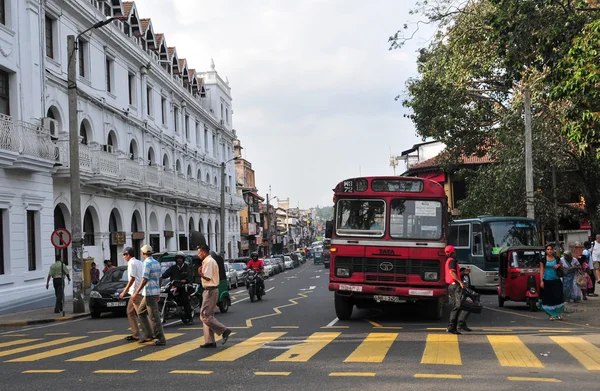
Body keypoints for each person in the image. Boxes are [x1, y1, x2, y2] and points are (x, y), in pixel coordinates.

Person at [197, 244, 231, 348]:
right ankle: (210, 341)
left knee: (204, 315)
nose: (198, 255)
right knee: (208, 315)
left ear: (203, 252)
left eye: (199, 253)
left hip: (210, 290)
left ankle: (224, 330)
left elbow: (207, 277)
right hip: (209, 290)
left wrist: (200, 273)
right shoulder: (207, 261)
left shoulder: (209, 262)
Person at [132, 245, 167, 346]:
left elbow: (144, 279)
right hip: (154, 291)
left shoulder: (146, 263)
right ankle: (149, 334)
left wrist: (136, 292)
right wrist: (158, 291)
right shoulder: (156, 262)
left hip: (148, 293)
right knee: (140, 312)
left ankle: (161, 338)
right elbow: (160, 278)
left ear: (143, 254)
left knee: (154, 317)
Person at [162, 251, 193, 324]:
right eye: (178, 258)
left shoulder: (186, 267)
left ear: (183, 259)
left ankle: (189, 318)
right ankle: (166, 311)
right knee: (165, 294)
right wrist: (161, 276)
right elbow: (165, 274)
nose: (179, 260)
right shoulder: (173, 267)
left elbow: (190, 275)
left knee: (185, 301)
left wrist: (185, 280)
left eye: (180, 258)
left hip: (183, 286)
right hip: (173, 286)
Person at [120, 247, 144, 342]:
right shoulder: (139, 262)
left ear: (128, 255)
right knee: (130, 312)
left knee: (141, 314)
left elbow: (132, 278)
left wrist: (124, 291)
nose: (123, 257)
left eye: (124, 255)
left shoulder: (131, 263)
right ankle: (136, 334)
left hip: (135, 292)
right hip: (137, 291)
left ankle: (150, 333)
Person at [444, 245, 469, 334]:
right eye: (454, 251)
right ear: (452, 252)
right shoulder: (453, 261)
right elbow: (451, 272)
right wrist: (461, 282)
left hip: (451, 286)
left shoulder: (448, 261)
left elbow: (453, 273)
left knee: (456, 305)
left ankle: (452, 327)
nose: (455, 252)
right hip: (455, 286)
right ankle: (452, 326)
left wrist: (462, 273)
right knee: (458, 306)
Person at [540, 244, 565, 321]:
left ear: (553, 250)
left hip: (556, 280)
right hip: (547, 280)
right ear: (545, 251)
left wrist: (558, 265)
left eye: (551, 249)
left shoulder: (557, 258)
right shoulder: (543, 260)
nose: (549, 251)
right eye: (548, 249)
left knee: (558, 297)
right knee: (549, 298)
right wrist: (541, 281)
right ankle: (551, 315)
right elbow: (541, 270)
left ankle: (558, 314)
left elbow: (562, 265)